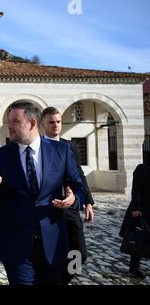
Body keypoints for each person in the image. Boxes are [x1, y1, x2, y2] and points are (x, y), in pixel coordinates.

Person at [0, 101, 85, 285]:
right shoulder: (0, 155)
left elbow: (78, 186)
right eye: (9, 121)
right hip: (15, 243)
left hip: (53, 241)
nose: (9, 126)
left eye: (15, 121)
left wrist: (73, 198)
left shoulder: (61, 151)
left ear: (32, 123)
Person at [41, 106, 94, 284]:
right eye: (51, 122)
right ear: (42, 124)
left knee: (80, 254)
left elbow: (79, 175)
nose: (56, 125)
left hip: (70, 208)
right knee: (49, 254)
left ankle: (60, 281)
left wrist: (87, 202)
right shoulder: (36, 147)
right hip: (47, 210)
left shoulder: (69, 146)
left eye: (58, 121)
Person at [120, 161, 150, 279]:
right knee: (139, 238)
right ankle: (134, 268)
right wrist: (136, 207)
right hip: (142, 210)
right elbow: (136, 189)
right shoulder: (142, 168)